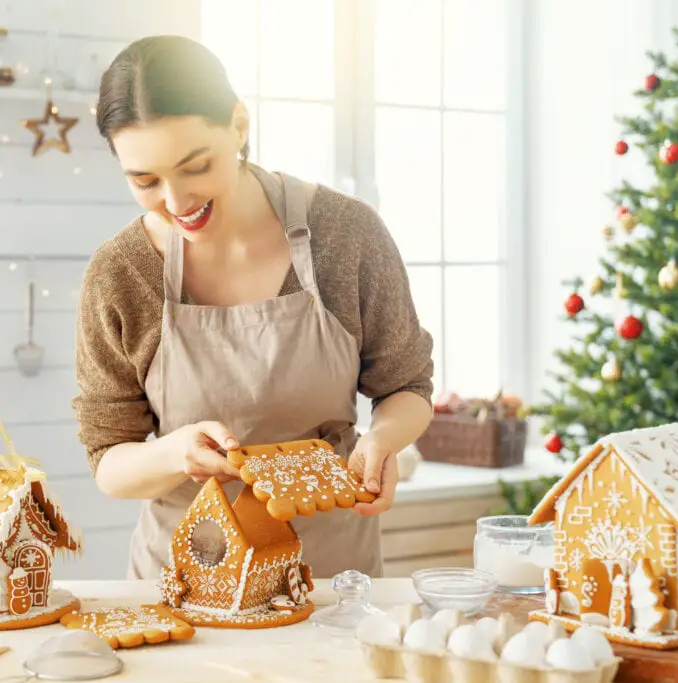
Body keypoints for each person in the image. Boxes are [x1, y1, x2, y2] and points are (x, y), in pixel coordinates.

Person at [72, 35, 434, 581]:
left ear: (239, 126)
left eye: (196, 166)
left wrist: (382, 441)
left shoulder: (344, 234)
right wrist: (176, 454)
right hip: (188, 583)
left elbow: (407, 386)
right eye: (145, 181)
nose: (176, 203)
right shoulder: (122, 273)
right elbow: (110, 461)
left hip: (331, 582)